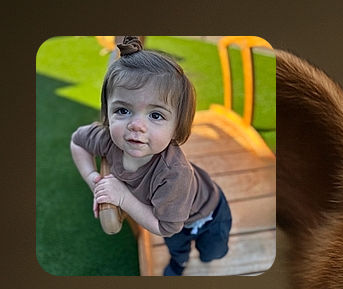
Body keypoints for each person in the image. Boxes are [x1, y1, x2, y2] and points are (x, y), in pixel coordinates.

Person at [69, 36, 232, 275]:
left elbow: (164, 226)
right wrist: (94, 179)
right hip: (173, 219)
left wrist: (123, 197)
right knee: (178, 249)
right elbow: (77, 142)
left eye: (155, 115)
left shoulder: (174, 173)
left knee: (213, 252)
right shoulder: (107, 138)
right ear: (108, 111)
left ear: (177, 127)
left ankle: (209, 255)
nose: (136, 125)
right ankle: (180, 263)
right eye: (123, 110)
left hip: (208, 213)